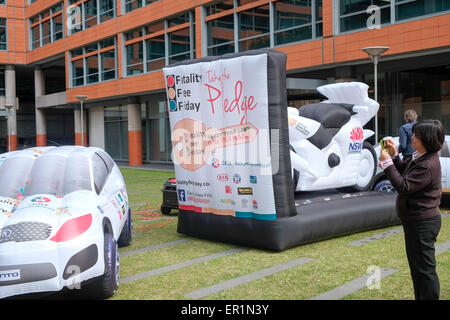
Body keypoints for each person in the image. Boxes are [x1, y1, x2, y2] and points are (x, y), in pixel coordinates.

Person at [379, 119, 444, 300]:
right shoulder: (420, 157)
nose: (412, 138)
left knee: (424, 270)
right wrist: (394, 157)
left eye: (416, 135)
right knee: (419, 269)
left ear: (427, 139)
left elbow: (404, 186)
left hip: (422, 223)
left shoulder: (427, 164)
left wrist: (386, 164)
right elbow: (405, 173)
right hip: (417, 221)